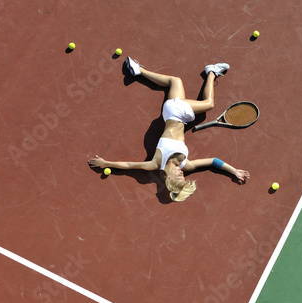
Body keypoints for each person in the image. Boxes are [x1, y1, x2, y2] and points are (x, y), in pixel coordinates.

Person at [88, 57, 250, 202]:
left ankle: (211, 73)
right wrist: (234, 171)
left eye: (179, 178)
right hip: (175, 115)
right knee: (175, 82)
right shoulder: (186, 165)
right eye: (183, 177)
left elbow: (130, 165)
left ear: (169, 179)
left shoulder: (156, 163)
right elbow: (213, 161)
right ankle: (138, 71)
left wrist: (105, 163)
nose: (182, 175)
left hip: (175, 112)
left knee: (209, 104)